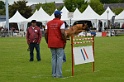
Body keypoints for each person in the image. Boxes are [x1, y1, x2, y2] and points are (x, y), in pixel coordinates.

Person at [45, 10, 66, 78]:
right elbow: (62, 33)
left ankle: (53, 74)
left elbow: (45, 33)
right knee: (60, 58)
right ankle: (59, 74)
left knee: (53, 58)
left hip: (51, 42)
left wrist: (47, 41)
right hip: (59, 42)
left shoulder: (48, 23)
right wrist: (64, 40)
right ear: (59, 15)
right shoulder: (61, 22)